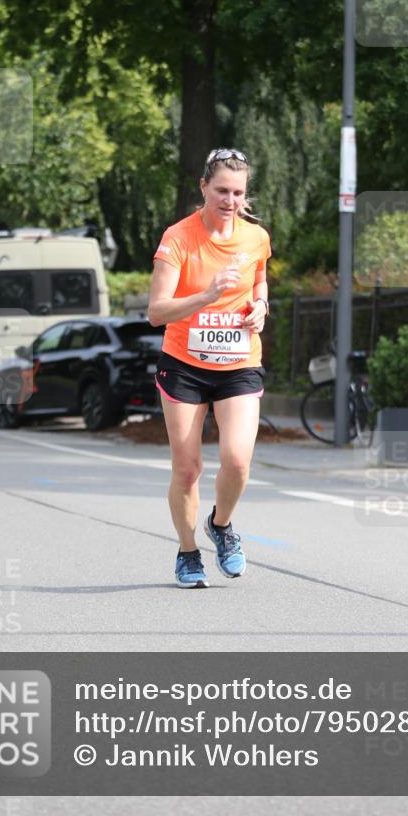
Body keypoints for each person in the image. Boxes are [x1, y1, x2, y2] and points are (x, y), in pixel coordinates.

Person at [148, 148, 272, 589]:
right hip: (184, 365)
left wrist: (261, 305)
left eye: (238, 192)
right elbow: (157, 311)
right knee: (187, 469)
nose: (230, 200)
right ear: (203, 187)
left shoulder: (256, 237)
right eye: (221, 190)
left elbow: (258, 277)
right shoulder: (178, 238)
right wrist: (204, 297)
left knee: (238, 462)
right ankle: (187, 551)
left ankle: (220, 525)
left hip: (239, 361)